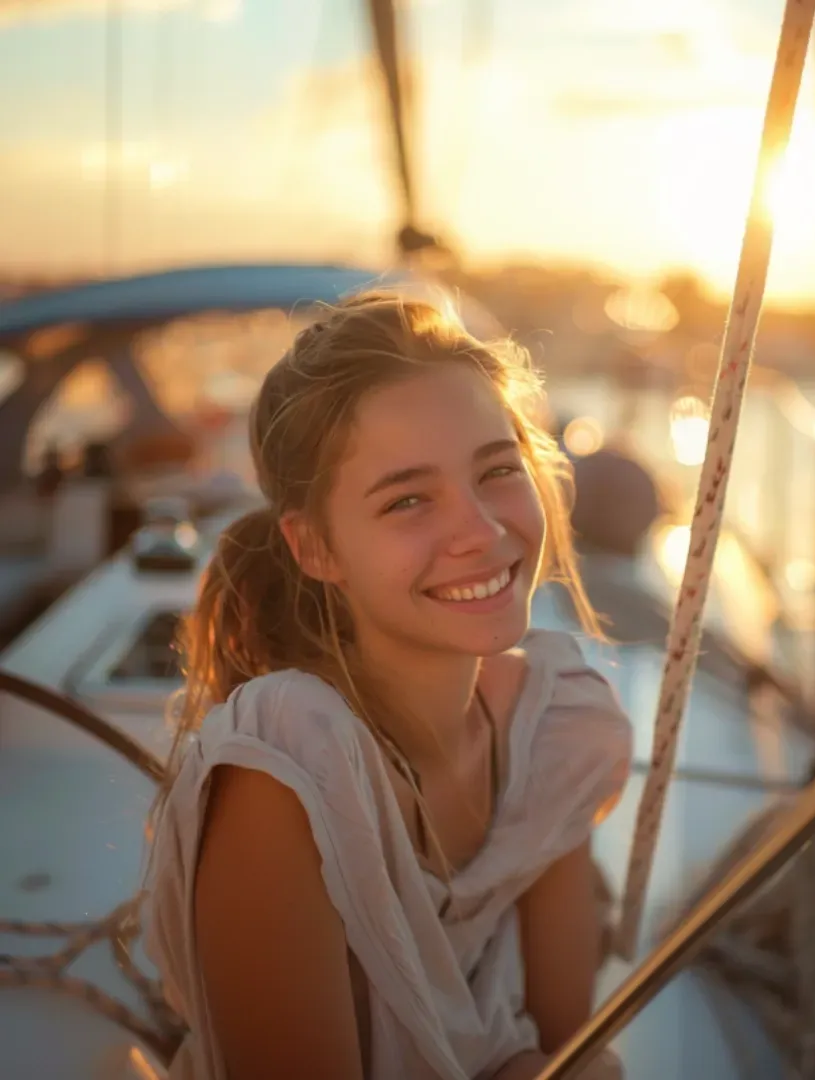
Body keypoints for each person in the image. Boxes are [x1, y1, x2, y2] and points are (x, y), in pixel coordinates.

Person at [142, 294, 632, 1080]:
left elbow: (565, 1043)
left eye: (497, 470)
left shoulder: (559, 723)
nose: (479, 529)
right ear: (315, 548)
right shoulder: (288, 767)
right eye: (407, 499)